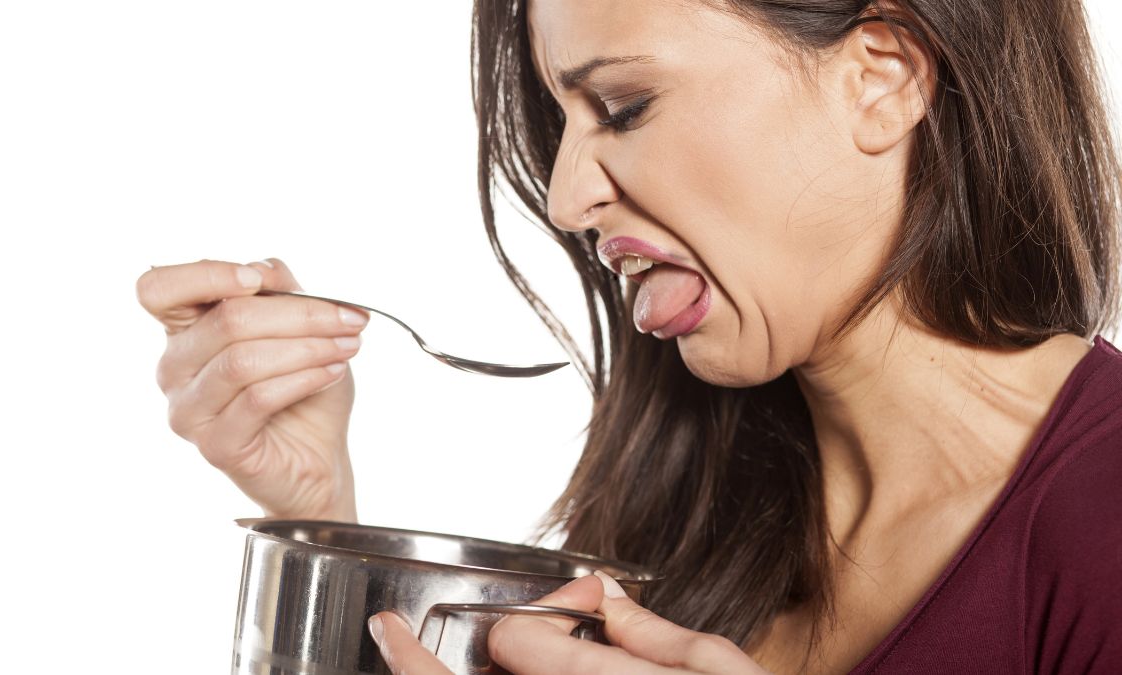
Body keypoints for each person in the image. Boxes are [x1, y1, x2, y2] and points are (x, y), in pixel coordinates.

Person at [137, 0, 1122, 672]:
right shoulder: (687, 526)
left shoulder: (1101, 529)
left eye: (623, 107)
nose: (569, 198)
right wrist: (331, 531)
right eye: (563, 123)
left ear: (883, 77)